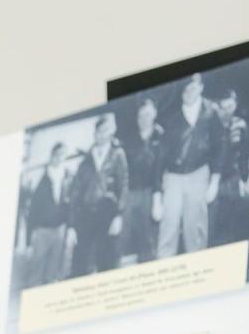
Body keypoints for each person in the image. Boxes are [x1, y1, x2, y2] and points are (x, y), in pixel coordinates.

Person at [155, 73, 224, 257]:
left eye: (192, 87)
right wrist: (156, 195)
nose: (188, 92)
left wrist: (214, 181)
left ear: (201, 87)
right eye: (185, 88)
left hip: (198, 174)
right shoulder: (169, 114)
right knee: (168, 227)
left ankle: (198, 272)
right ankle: (165, 271)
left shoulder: (211, 111)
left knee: (195, 229)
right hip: (173, 177)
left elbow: (219, 147)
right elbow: (159, 157)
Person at [67, 114, 128, 275]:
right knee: (80, 263)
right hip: (86, 216)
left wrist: (118, 215)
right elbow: (75, 193)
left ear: (111, 133)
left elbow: (123, 186)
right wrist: (72, 225)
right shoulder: (85, 161)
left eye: (105, 131)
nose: (101, 135)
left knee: (107, 262)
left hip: (108, 213)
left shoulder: (118, 155)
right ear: (95, 134)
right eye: (99, 131)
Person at [123, 97, 164, 262]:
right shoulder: (130, 139)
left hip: (151, 192)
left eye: (147, 114)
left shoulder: (161, 137)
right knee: (124, 236)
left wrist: (157, 197)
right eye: (140, 116)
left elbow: (160, 170)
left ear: (154, 114)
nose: (144, 119)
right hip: (130, 193)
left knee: (149, 239)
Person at [25, 141, 71, 284]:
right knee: (35, 273)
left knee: (53, 274)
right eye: (56, 155)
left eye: (63, 155)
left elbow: (71, 205)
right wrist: (29, 239)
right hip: (42, 231)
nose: (59, 158)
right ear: (51, 156)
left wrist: (69, 228)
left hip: (59, 231)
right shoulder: (42, 176)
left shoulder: (68, 176)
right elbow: (32, 208)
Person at [214, 86, 248, 245]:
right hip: (214, 178)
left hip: (232, 177)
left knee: (233, 221)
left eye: (230, 106)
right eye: (224, 106)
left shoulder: (240, 124)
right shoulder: (211, 124)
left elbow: (243, 153)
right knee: (215, 220)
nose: (227, 110)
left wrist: (244, 178)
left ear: (235, 105)